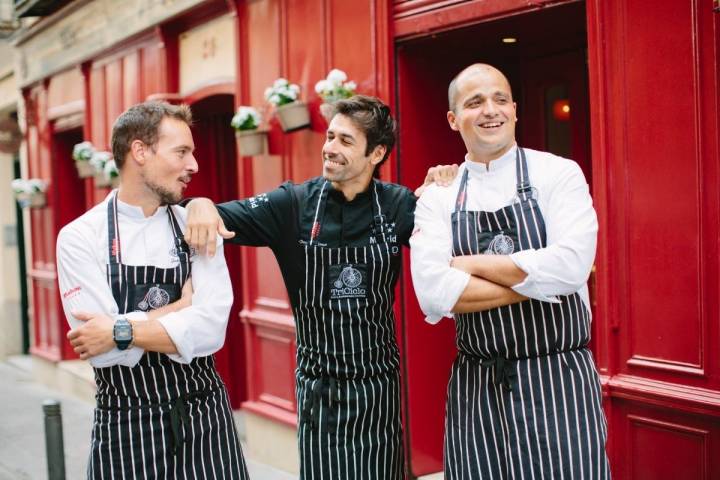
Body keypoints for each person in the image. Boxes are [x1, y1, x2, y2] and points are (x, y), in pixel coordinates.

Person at [185, 95, 455, 479]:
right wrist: (198, 203)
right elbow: (216, 217)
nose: (330, 148)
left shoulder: (397, 206)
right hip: (319, 389)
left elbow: (452, 243)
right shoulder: (291, 204)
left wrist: (442, 192)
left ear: (376, 153)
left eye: (346, 141)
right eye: (330, 136)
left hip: (379, 387)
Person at [410, 64, 611, 479]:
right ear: (453, 119)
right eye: (475, 102)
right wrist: (542, 281)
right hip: (477, 384)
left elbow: (572, 267)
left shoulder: (558, 173)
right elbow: (433, 294)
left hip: (559, 379)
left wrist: (466, 265)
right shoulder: (439, 196)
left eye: (500, 99)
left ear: (515, 110)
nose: (491, 110)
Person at [56, 101, 249, 479]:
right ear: (140, 151)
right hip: (126, 426)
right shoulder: (80, 237)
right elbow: (104, 356)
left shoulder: (196, 225)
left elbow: (211, 329)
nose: (194, 165)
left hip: (205, 420)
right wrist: (183, 305)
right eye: (182, 152)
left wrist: (118, 330)